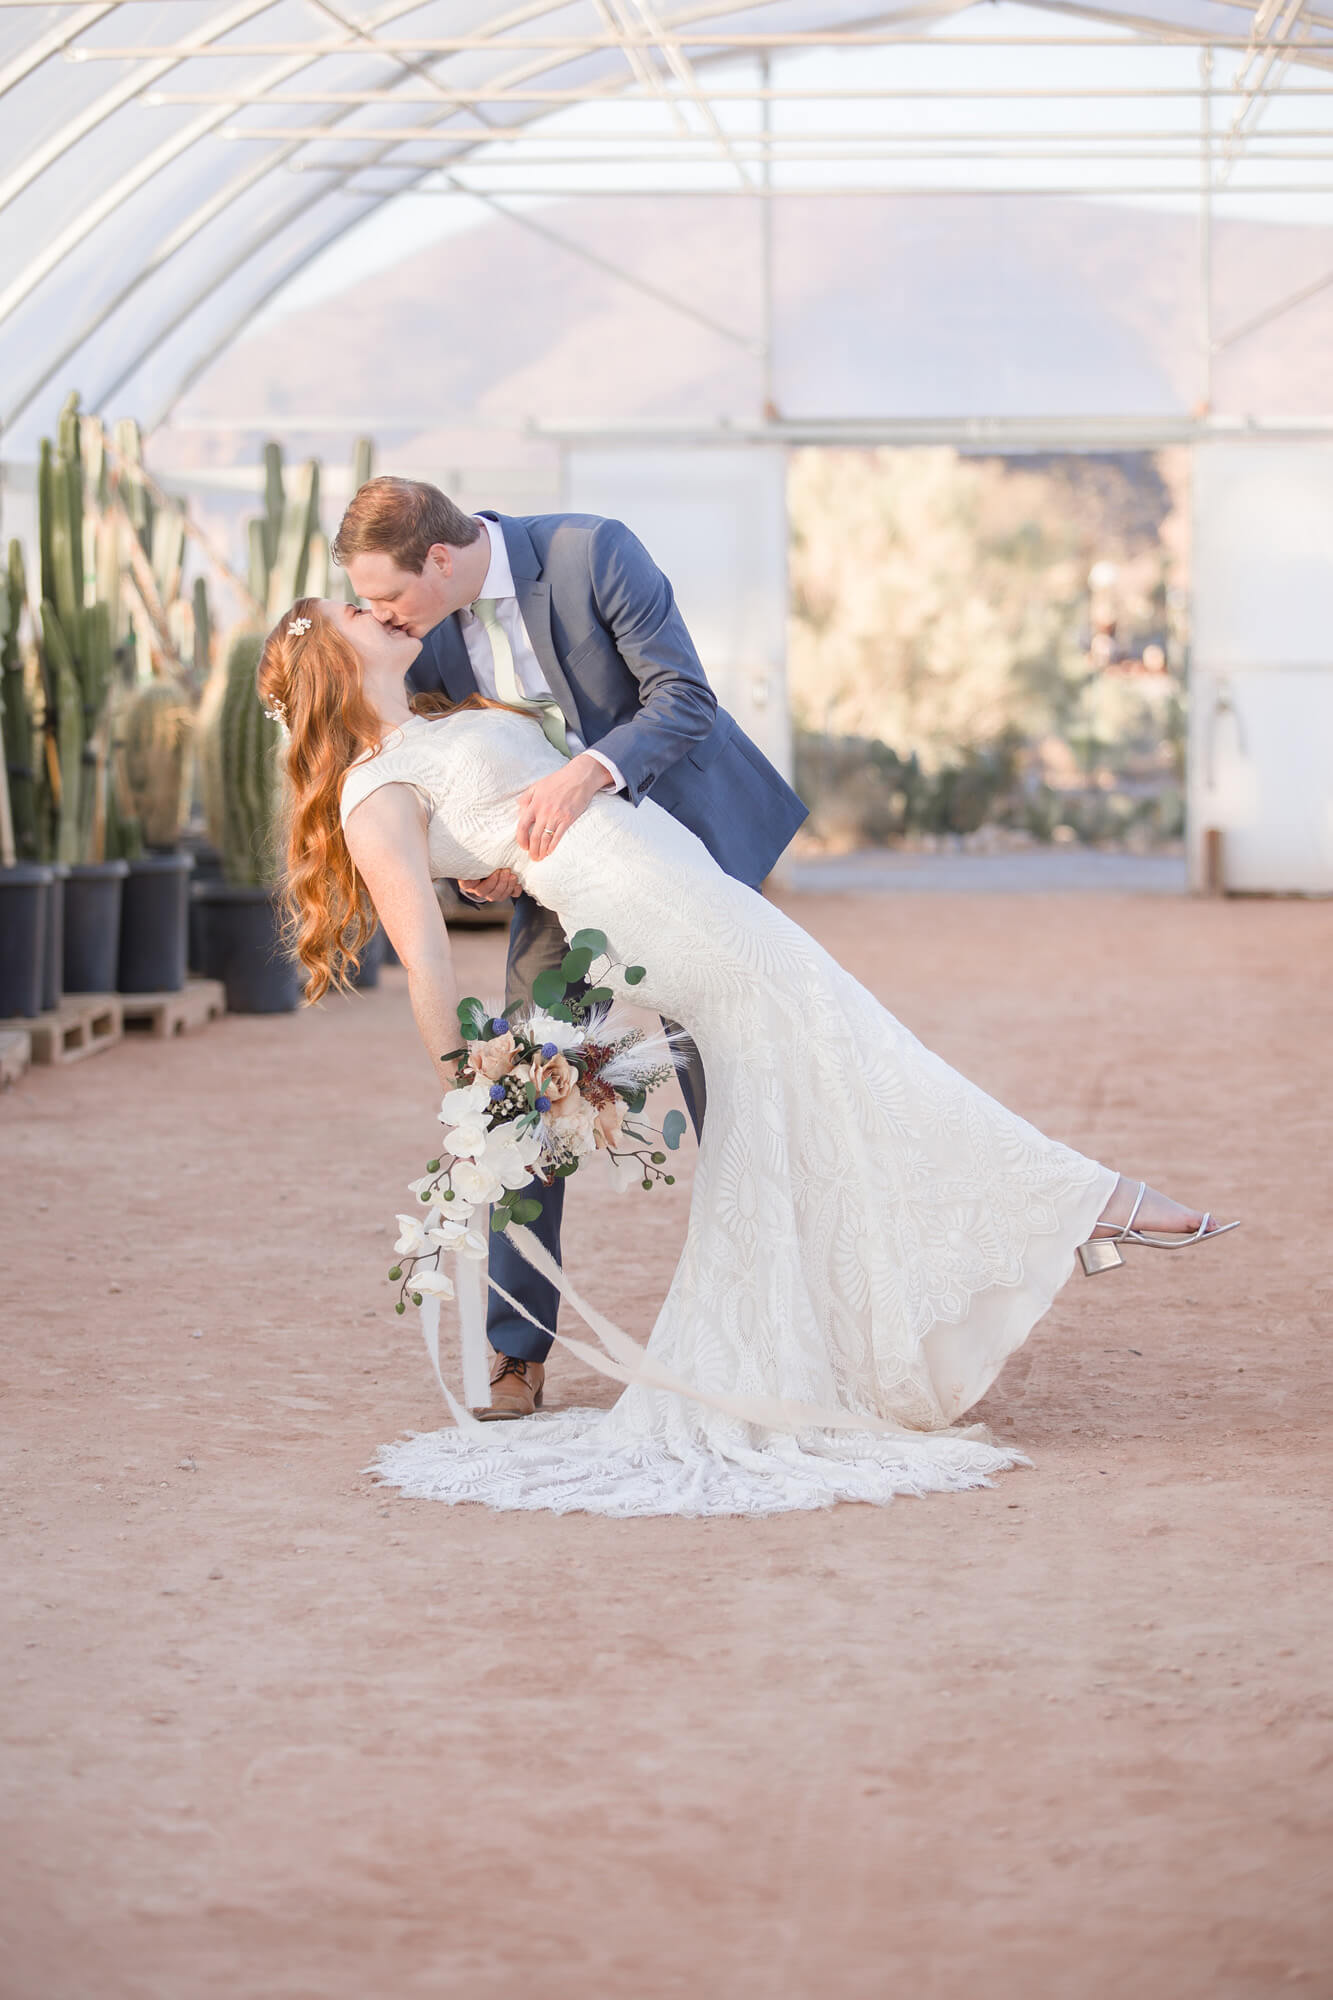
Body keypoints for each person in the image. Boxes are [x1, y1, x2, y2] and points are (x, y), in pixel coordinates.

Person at [255, 595, 1237, 1520]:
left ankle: (822, 1335)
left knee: (797, 1090)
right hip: (649, 909)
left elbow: (512, 826)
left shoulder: (439, 716)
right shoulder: (369, 786)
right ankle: (1087, 1200)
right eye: (350, 612)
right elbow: (422, 950)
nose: (374, 608)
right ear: (333, 664)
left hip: (672, 866)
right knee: (851, 1046)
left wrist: (497, 853)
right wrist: (458, 1079)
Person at [330, 478, 806, 1419]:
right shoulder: (421, 644)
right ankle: (518, 1353)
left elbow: (684, 699)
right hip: (562, 888)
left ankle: (776, 1323)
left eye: (389, 595)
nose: (383, 616)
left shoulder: (593, 550)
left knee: (732, 1079)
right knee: (526, 1089)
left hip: (683, 851)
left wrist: (584, 776)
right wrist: (487, 860)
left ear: (440, 557)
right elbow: (466, 768)